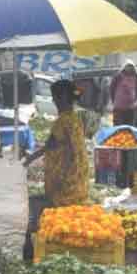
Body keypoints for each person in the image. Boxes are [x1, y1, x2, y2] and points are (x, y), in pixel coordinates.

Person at [22, 79, 90, 207]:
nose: (53, 101)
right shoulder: (75, 118)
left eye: (54, 97)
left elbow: (56, 147)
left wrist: (29, 160)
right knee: (75, 206)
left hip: (66, 174)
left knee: (61, 208)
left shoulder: (63, 121)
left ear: (62, 98)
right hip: (78, 171)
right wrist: (31, 158)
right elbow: (57, 144)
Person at [110, 60, 137, 126]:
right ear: (124, 67)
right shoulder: (118, 76)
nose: (129, 68)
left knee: (129, 127)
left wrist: (136, 102)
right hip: (119, 107)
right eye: (127, 66)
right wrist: (114, 101)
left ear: (133, 68)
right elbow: (111, 88)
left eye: (130, 67)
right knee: (118, 126)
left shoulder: (136, 78)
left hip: (131, 108)